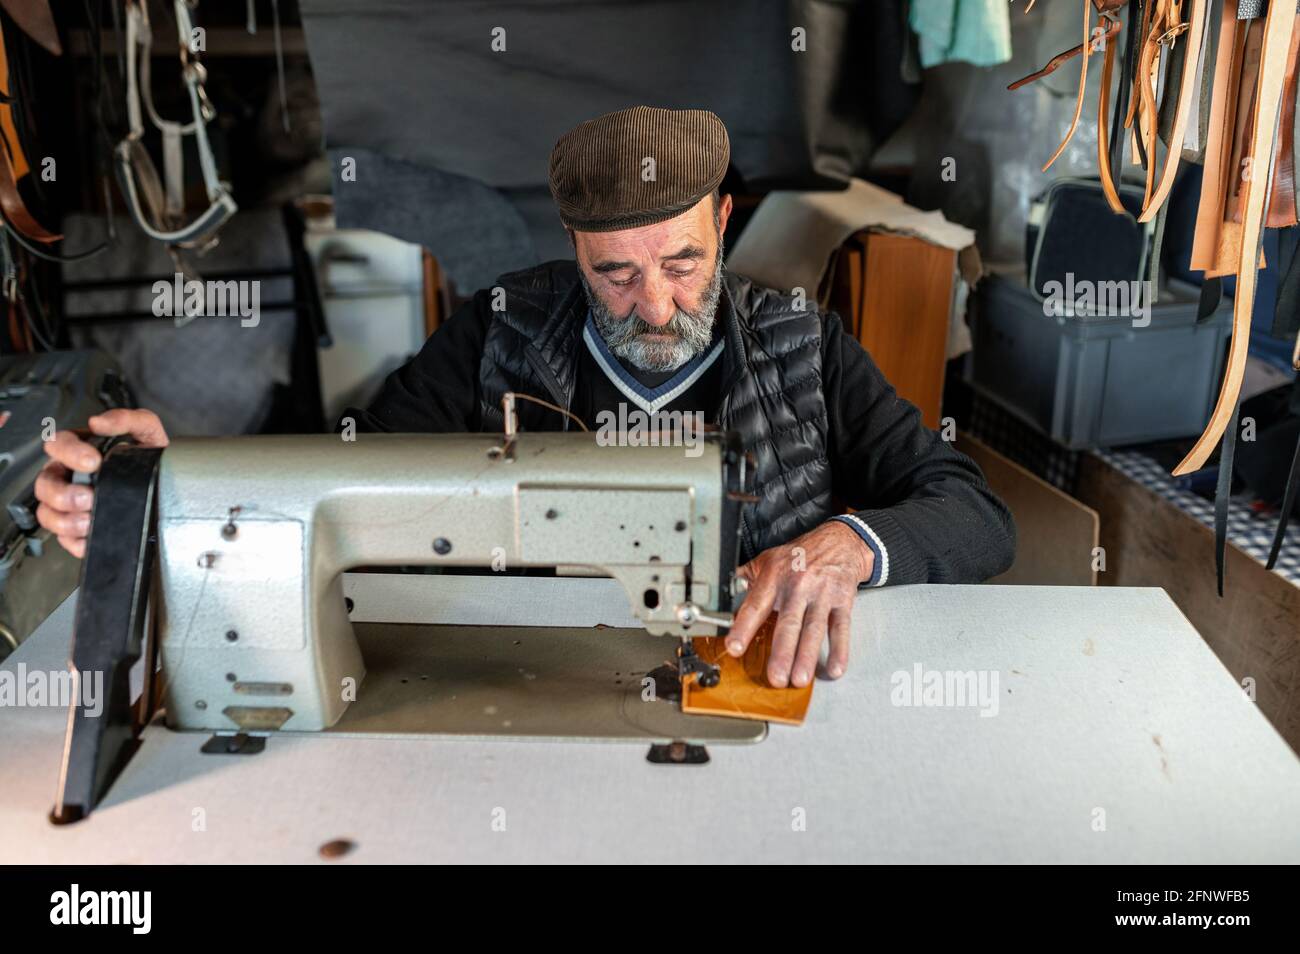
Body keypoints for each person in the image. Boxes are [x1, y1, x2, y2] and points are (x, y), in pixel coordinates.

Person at [36, 106, 1015, 690]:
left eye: (683, 259)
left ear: (723, 218)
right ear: (571, 245)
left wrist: (844, 543)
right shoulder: (499, 327)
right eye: (614, 273)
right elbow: (346, 473)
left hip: (765, 672)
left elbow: (971, 511)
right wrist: (175, 481)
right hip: (531, 671)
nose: (660, 304)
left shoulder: (802, 342)